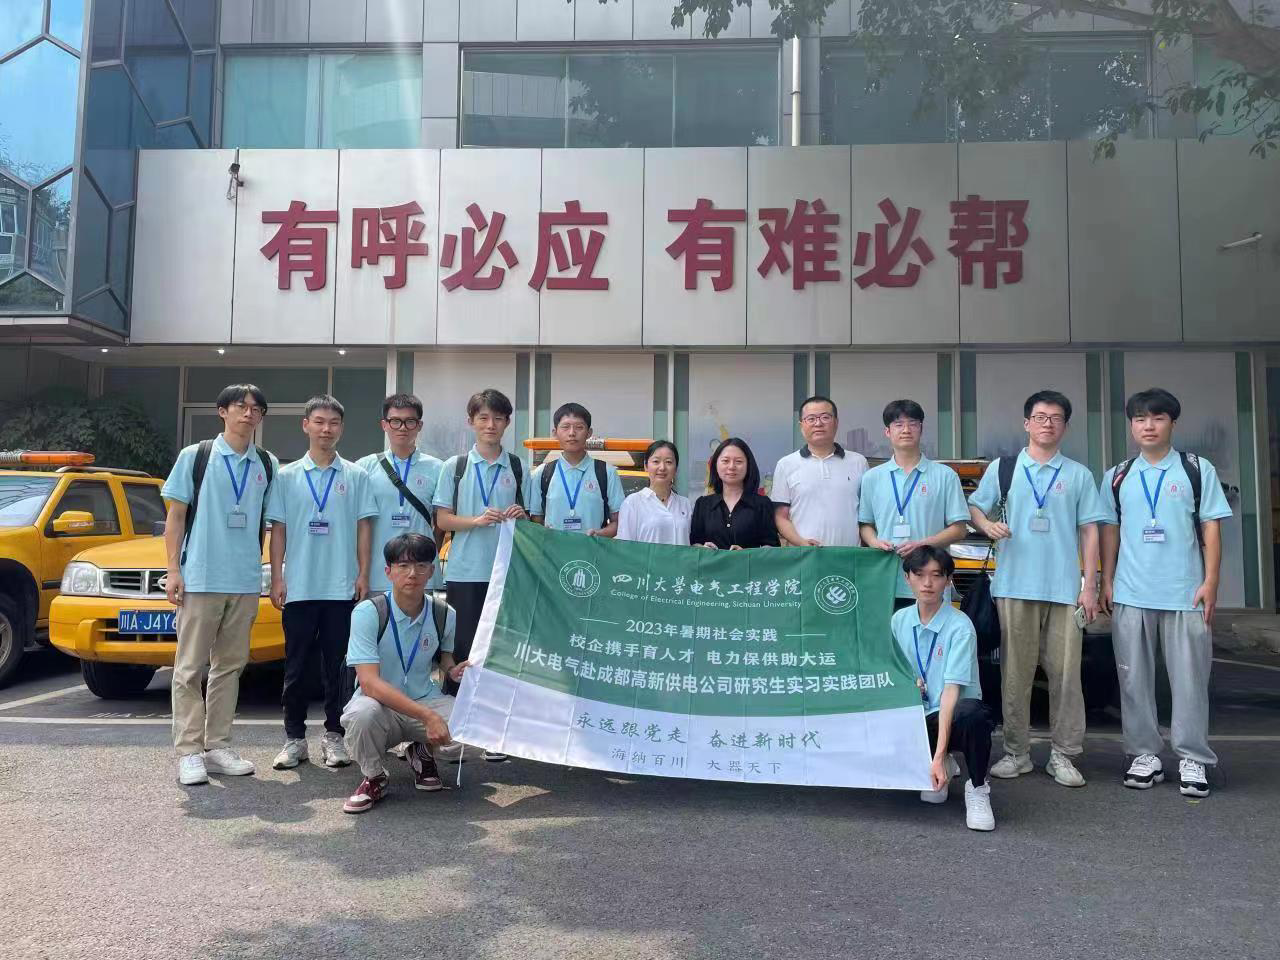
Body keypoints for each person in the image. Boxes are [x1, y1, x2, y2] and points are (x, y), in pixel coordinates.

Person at [968, 390, 1107, 789]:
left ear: (1065, 426)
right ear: (1027, 423)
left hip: (1064, 589)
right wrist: (986, 525)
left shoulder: (1078, 474)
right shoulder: (1004, 469)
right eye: (1041, 417)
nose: (1048, 423)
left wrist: (1090, 585)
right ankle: (1017, 752)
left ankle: (1064, 754)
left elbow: (1090, 530)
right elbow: (975, 508)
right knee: (1015, 674)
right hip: (1014, 586)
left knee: (1066, 676)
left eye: (1056, 418)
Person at [1099, 388, 1232, 798]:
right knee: (1133, 680)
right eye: (1140, 419)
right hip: (1131, 592)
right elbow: (1110, 530)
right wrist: (1107, 580)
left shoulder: (1196, 469)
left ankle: (1193, 756)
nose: (1148, 426)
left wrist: (1211, 582)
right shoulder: (1118, 475)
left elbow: (1211, 526)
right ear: (1131, 426)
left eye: (1157, 418)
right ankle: (1144, 754)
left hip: (1185, 592)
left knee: (1190, 680)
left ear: (1172, 423)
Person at [162, 384, 278, 786]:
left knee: (229, 667)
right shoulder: (196, 457)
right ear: (222, 411)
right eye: (240, 406)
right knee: (189, 668)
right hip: (201, 578)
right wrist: (173, 570)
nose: (248, 414)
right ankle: (189, 752)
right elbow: (176, 517)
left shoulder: (266, 463)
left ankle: (218, 746)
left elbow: (270, 521)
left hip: (244, 580)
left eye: (256, 409)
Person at [266, 395, 378, 771]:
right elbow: (279, 530)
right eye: (319, 421)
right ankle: (294, 739)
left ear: (341, 428)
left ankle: (334, 736)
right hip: (298, 588)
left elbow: (364, 529)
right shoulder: (286, 476)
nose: (326, 429)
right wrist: (277, 577)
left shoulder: (356, 476)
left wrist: (363, 574)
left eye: (333, 422)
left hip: (341, 588)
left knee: (338, 668)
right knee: (296, 667)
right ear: (306, 425)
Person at [433, 388, 531, 761]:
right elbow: (443, 520)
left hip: (508, 573)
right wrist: (476, 521)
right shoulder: (454, 467)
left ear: (507, 423)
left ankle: (494, 733)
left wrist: (523, 517)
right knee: (462, 650)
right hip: (465, 571)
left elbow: (533, 523)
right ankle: (453, 729)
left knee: (501, 652)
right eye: (483, 418)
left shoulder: (518, 467)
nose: (491, 425)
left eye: (498, 418)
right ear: (471, 421)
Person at [340, 533, 470, 814]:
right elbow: (369, 683)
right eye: (403, 566)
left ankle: (421, 752)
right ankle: (374, 777)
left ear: (432, 571)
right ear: (388, 571)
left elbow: (445, 657)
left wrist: (452, 670)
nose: (413, 574)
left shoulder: (444, 613)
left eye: (421, 566)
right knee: (361, 715)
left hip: (425, 698)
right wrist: (427, 717)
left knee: (472, 730)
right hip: (380, 706)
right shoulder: (368, 612)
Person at [891, 545, 995, 831]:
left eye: (936, 575)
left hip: (950, 711)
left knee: (973, 715)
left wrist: (936, 756)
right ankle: (941, 764)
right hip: (917, 714)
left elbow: (950, 693)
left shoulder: (960, 626)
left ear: (948, 580)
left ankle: (977, 787)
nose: (927, 583)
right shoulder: (899, 620)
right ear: (907, 578)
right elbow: (892, 670)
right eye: (919, 574)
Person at [859, 400, 970, 610]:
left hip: (930, 583)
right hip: (886, 580)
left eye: (912, 423)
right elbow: (865, 524)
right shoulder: (872, 478)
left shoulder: (945, 476)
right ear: (887, 431)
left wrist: (923, 545)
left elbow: (959, 529)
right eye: (898, 424)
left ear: (921, 428)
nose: (906, 430)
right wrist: (874, 542)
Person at [357, 393, 444, 594]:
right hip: (377, 575)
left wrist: (427, 554)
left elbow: (440, 525)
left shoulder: (437, 468)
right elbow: (360, 524)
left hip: (421, 576)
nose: (402, 428)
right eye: (395, 421)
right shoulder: (364, 468)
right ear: (384, 425)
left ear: (419, 425)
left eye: (410, 421)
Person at [773, 396, 868, 547]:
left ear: (836, 422)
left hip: (850, 554)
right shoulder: (786, 465)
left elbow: (867, 515)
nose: (818, 423)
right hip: (805, 555)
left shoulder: (858, 462)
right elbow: (780, 517)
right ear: (801, 425)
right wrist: (801, 543)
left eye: (825, 417)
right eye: (811, 419)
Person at [530, 402, 624, 537]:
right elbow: (535, 520)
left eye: (579, 427)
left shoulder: (607, 472)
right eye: (565, 427)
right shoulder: (542, 473)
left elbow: (619, 521)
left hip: (592, 549)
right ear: (555, 433)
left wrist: (600, 534)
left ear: (589, 433)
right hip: (553, 550)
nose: (572, 433)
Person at [690, 438, 780, 549]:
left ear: (748, 466)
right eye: (725, 461)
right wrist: (703, 548)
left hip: (749, 561)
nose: (731, 467)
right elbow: (694, 544)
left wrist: (747, 554)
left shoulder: (762, 504)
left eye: (738, 461)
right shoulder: (703, 504)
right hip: (710, 561)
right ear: (715, 465)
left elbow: (771, 547)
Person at [616, 441, 692, 545]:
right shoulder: (632, 503)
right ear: (646, 466)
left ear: (676, 469)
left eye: (668, 462)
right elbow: (625, 547)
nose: (662, 467)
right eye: (656, 461)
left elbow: (692, 544)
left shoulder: (685, 504)